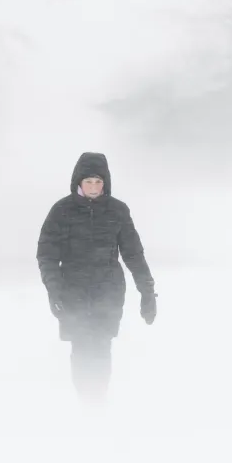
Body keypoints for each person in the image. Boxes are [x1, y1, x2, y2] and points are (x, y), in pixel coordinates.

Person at [36, 152, 157, 404]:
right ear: (78, 183)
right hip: (73, 292)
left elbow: (133, 254)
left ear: (106, 183)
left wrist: (147, 291)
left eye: (98, 182)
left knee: (102, 346)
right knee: (80, 347)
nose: (93, 187)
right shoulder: (62, 211)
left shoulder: (118, 211)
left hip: (108, 291)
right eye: (88, 182)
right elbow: (47, 255)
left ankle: (97, 402)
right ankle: (85, 402)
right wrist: (54, 290)